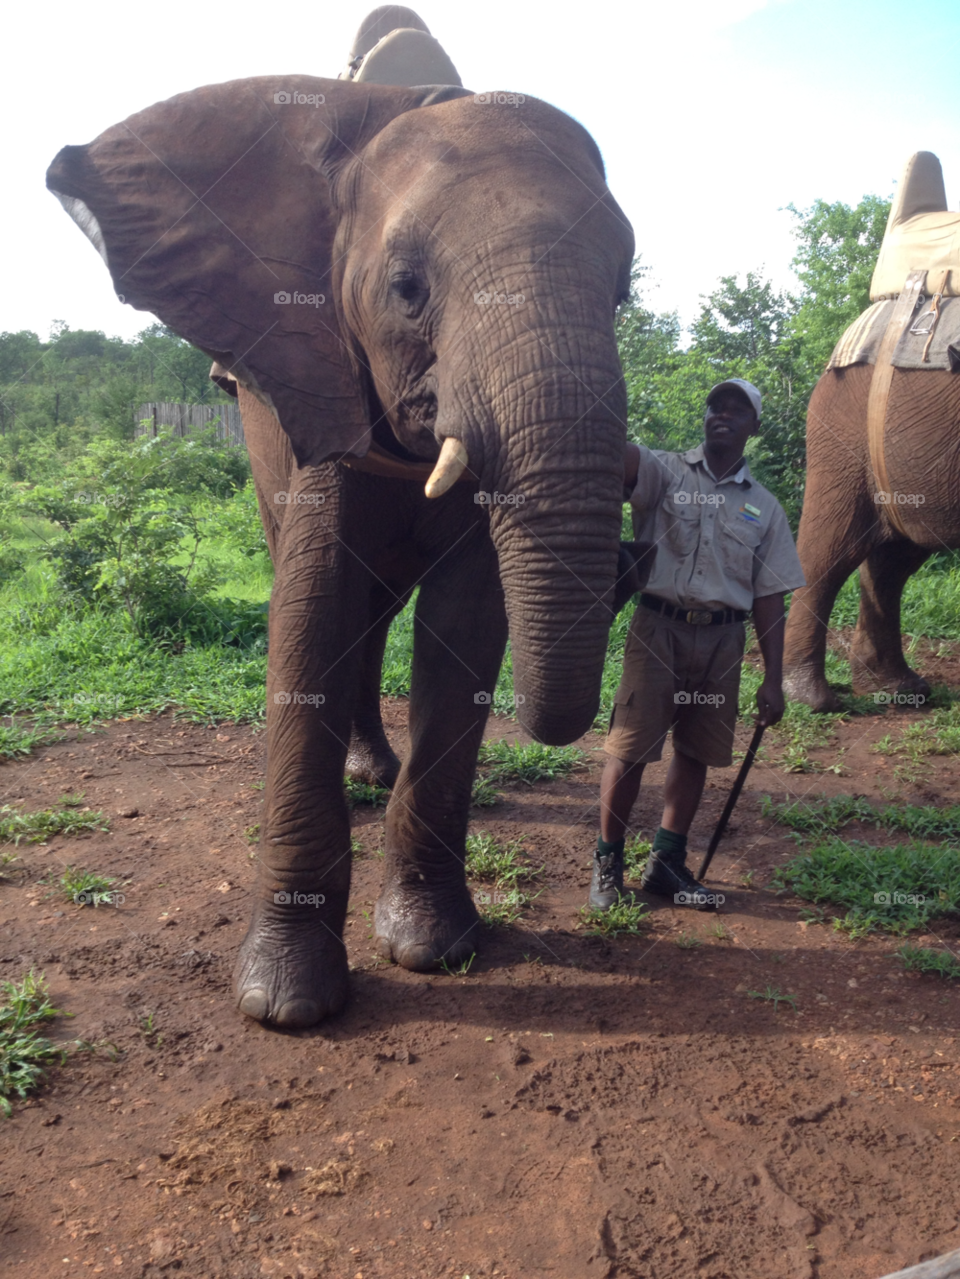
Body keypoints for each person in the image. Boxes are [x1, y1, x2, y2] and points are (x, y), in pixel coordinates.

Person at [590, 379, 805, 911]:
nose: (723, 415)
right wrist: (593, 398)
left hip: (723, 641)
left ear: (754, 427)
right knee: (629, 749)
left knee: (695, 752)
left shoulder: (766, 508)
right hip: (657, 630)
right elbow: (617, 459)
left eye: (737, 410)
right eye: (715, 406)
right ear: (704, 416)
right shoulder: (665, 471)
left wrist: (774, 679)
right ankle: (607, 865)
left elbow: (770, 597)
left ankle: (666, 863)